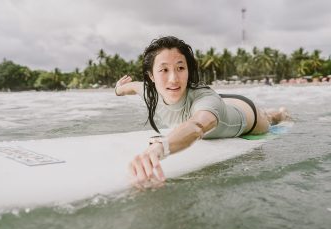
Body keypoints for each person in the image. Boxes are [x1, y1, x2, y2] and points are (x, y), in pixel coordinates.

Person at [115, 36, 289, 189]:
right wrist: (118, 89)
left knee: (270, 118)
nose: (173, 78)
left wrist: (161, 148)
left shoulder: (203, 100)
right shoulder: (149, 91)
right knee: (214, 105)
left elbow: (198, 125)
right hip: (218, 103)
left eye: (180, 68)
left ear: (188, 70)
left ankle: (280, 113)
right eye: (164, 70)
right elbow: (129, 87)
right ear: (151, 76)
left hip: (247, 115)